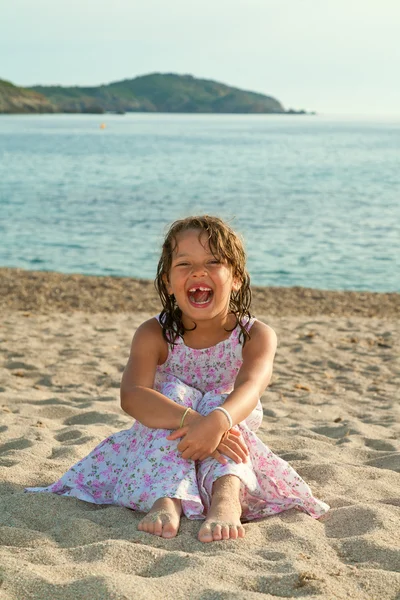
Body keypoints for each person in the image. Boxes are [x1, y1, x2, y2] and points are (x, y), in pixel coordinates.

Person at [26, 215, 329, 542]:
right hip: (166, 438)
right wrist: (194, 420)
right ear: (169, 281)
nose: (199, 272)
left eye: (213, 262)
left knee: (221, 400)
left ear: (237, 278)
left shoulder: (255, 335)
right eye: (185, 264)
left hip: (226, 436)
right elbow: (132, 395)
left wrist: (216, 422)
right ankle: (167, 498)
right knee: (173, 393)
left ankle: (225, 501)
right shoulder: (153, 333)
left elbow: (250, 387)